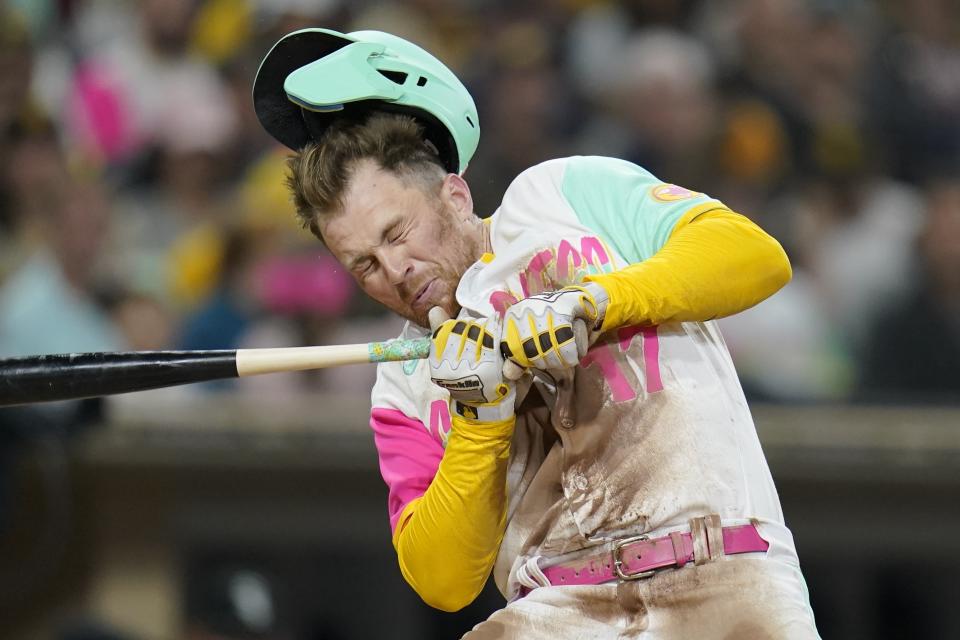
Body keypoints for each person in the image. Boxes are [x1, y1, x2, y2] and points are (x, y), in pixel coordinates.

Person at [253, 28, 821, 638]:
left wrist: (592, 302)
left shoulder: (560, 194)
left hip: (723, 575)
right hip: (553, 613)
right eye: (363, 263)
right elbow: (440, 582)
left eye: (396, 234)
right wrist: (480, 420)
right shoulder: (402, 379)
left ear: (456, 194)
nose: (393, 271)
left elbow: (756, 255)